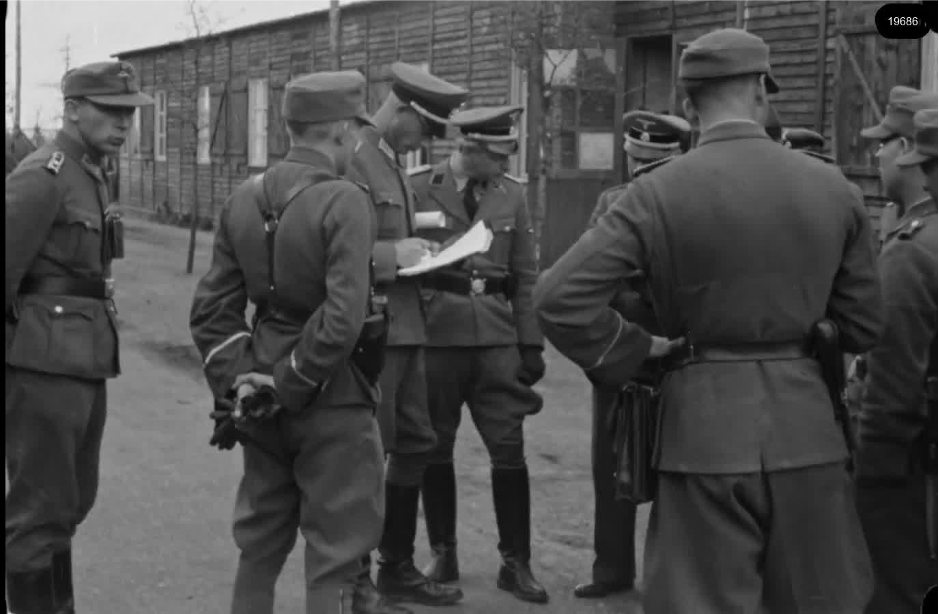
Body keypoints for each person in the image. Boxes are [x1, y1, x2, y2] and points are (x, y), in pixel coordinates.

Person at [533, 28, 884, 614]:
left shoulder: (653, 193)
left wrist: (638, 349)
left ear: (689, 106)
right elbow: (867, 324)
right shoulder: (834, 187)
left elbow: (557, 298)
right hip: (809, 431)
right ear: (762, 92)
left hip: (701, 433)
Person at [189, 71, 389, 614]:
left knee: (258, 548)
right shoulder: (345, 199)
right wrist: (287, 383)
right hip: (332, 397)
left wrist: (245, 384)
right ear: (342, 132)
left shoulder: (242, 199)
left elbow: (211, 312)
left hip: (260, 397)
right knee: (337, 555)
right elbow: (344, 317)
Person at [5, 61, 151, 614]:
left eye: (128, 114)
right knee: (38, 510)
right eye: (111, 111)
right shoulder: (43, 175)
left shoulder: (91, 172)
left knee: (70, 500)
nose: (123, 124)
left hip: (85, 359)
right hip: (42, 365)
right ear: (72, 109)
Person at [408, 105, 548, 604]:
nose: (505, 163)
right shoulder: (419, 186)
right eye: (497, 154)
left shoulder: (512, 194)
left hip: (495, 341)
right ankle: (443, 552)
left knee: (509, 449)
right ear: (468, 150)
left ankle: (517, 563)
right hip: (436, 339)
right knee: (433, 447)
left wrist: (530, 342)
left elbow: (525, 275)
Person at [345, 61, 469, 608]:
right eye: (422, 129)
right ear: (399, 111)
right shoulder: (353, 159)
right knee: (366, 452)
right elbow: (332, 246)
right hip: (374, 331)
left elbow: (397, 233)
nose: (424, 143)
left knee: (418, 443)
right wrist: (393, 256)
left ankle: (396, 561)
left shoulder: (390, 160)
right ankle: (354, 570)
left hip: (408, 327)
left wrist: (428, 252)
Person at [573, 110, 690, 601]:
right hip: (654, 348)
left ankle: (630, 569)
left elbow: (590, 279)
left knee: (640, 463)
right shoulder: (619, 202)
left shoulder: (632, 202)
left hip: (652, 346)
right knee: (639, 464)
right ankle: (637, 570)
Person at [854, 106, 938, 614]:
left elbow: (894, 373)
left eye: (886, 143)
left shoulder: (915, 250)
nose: (877, 153)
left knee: (898, 584)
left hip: (913, 452)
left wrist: (875, 460)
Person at [861, 86, 933, 246]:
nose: (877, 154)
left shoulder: (912, 243)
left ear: (903, 147)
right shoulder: (897, 217)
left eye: (882, 143)